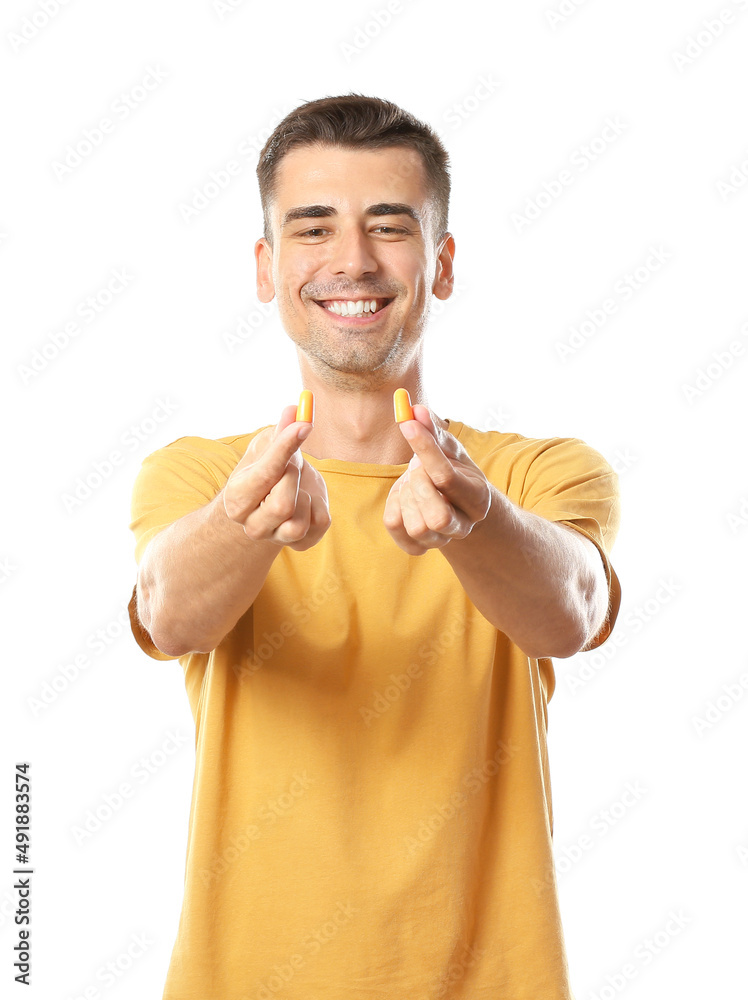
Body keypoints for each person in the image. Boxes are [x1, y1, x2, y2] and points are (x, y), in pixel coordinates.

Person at [127, 93, 621, 1000]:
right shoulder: (198, 479)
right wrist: (246, 524)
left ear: (441, 264)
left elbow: (571, 612)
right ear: (268, 267)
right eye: (313, 229)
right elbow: (171, 614)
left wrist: (479, 523)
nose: (352, 261)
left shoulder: (539, 473)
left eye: (388, 227)